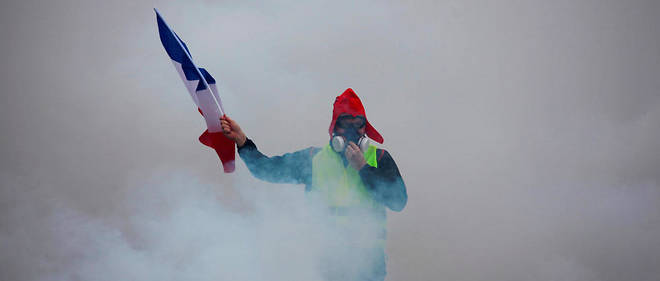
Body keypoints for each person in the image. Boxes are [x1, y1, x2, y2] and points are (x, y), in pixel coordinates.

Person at [220, 88, 407, 281]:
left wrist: (363, 168)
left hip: (368, 270)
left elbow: (398, 201)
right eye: (345, 124)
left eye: (358, 124)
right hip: (326, 268)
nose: (352, 131)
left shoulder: (379, 158)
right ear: (334, 128)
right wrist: (242, 141)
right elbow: (265, 169)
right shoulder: (313, 159)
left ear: (365, 128)